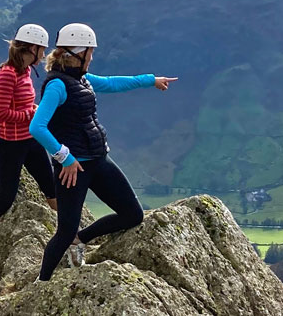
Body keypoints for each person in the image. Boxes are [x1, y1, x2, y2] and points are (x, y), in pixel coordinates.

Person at [30, 23, 177, 281]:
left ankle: (81, 239)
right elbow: (37, 127)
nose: (92, 56)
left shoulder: (81, 79)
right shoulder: (57, 86)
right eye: (90, 52)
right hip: (73, 170)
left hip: (99, 161)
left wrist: (151, 80)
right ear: (77, 54)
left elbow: (112, 84)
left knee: (133, 214)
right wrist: (65, 158)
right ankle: (41, 282)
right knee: (64, 232)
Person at [0, 24, 59, 261]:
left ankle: (69, 232)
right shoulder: (7, 74)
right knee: (5, 199)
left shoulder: (25, 71)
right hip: (11, 145)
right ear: (32, 48)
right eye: (42, 50)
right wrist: (31, 114)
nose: (44, 55)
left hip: (31, 140)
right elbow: (2, 113)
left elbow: (22, 106)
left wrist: (31, 111)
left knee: (51, 188)